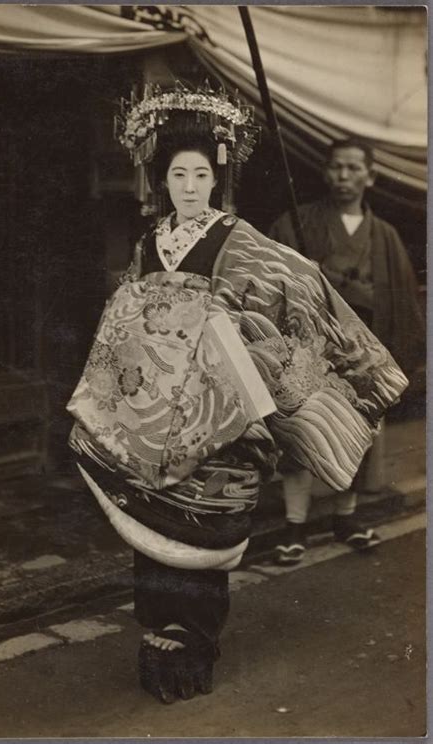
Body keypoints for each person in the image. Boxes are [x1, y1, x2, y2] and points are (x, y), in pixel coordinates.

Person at [66, 87, 408, 704]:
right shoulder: (149, 244)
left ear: (216, 177)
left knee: (204, 522)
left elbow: (298, 283)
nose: (190, 185)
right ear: (162, 180)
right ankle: (156, 627)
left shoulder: (242, 240)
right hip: (150, 406)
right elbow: (126, 317)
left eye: (202, 173)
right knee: (150, 520)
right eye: (178, 174)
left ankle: (195, 639)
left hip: (218, 404)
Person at [269, 137, 424, 564]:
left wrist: (346, 287)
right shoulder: (296, 222)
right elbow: (270, 280)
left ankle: (346, 517)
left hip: (361, 358)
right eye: (336, 167)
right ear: (325, 172)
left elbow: (400, 300)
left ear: (370, 176)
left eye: (354, 168)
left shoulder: (385, 237)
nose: (343, 176)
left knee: (355, 438)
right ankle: (294, 526)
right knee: (301, 434)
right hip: (309, 353)